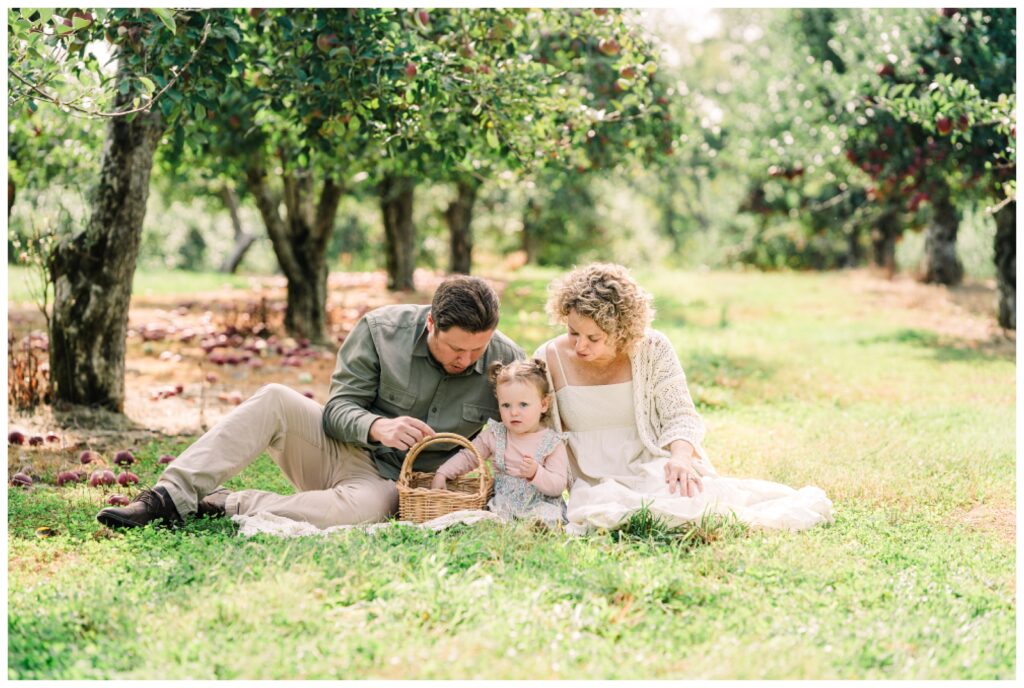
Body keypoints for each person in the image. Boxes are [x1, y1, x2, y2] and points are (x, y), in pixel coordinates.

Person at [96, 275, 524, 530]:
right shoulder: (380, 330)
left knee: (367, 510)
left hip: (393, 488)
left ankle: (223, 504)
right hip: (340, 450)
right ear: (431, 322)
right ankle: (166, 498)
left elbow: (525, 430)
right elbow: (337, 412)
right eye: (455, 349)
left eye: (477, 350)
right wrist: (378, 427)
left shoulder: (506, 361)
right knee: (275, 399)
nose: (466, 360)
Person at [534, 263, 833, 534]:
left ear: (621, 332)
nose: (580, 345)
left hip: (652, 465)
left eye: (593, 338)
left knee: (695, 507)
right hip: (591, 482)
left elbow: (680, 415)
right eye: (573, 332)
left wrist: (679, 458)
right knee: (604, 513)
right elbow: (532, 426)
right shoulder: (548, 358)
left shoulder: (652, 348)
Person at [431, 358, 568, 526]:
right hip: (505, 503)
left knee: (546, 514)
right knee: (493, 517)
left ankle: (538, 527)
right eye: (506, 405)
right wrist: (443, 473)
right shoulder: (496, 435)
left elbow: (558, 486)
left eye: (523, 405)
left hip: (540, 502)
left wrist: (536, 473)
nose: (514, 412)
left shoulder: (551, 442)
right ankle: (505, 525)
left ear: (543, 404)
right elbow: (469, 456)